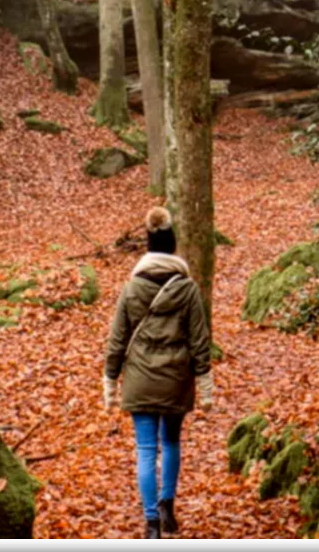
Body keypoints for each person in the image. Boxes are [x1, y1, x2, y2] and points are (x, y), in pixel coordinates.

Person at [103, 206, 215, 539]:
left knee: (146, 449)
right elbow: (199, 340)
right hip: (176, 379)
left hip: (139, 380)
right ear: (172, 245)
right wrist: (205, 383)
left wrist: (110, 382)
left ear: (149, 247)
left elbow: (117, 340)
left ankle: (151, 523)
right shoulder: (188, 288)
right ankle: (168, 507)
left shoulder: (132, 288)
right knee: (171, 442)